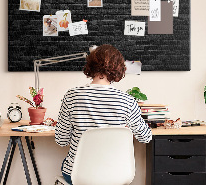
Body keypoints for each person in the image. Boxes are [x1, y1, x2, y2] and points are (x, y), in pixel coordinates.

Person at [55, 44, 152, 184]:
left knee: (69, 164)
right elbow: (145, 137)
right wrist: (125, 129)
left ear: (91, 65)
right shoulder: (127, 101)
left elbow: (61, 140)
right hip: (116, 176)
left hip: (78, 177)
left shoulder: (72, 96)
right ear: (118, 68)